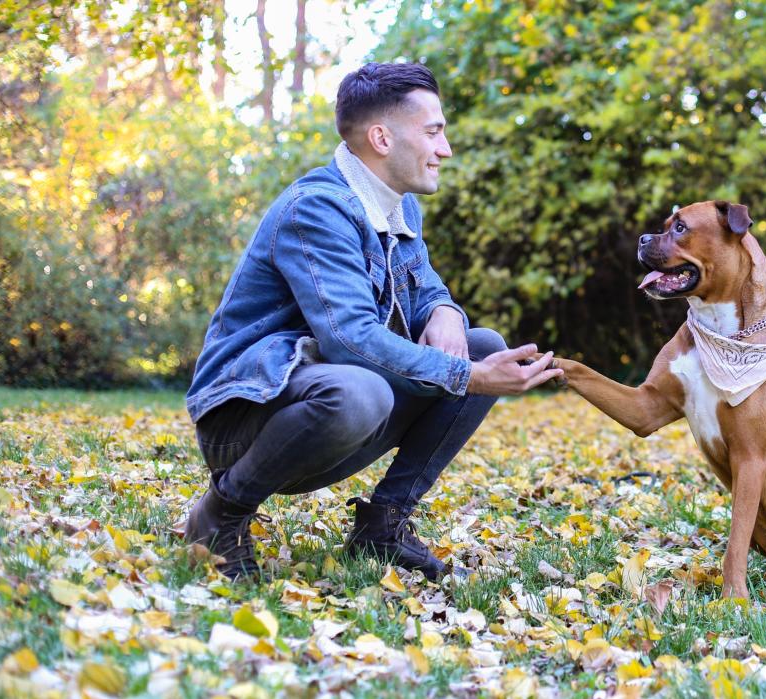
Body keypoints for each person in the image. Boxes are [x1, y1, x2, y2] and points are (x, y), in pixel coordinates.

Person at [183, 62, 562, 581]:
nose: (445, 148)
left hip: (321, 403)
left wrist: (447, 311)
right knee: (368, 390)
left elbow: (425, 284)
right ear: (382, 138)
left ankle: (382, 525)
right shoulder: (316, 209)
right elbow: (350, 339)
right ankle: (222, 512)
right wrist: (471, 377)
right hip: (247, 418)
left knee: (481, 343)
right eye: (434, 131)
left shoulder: (397, 206)